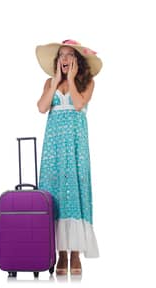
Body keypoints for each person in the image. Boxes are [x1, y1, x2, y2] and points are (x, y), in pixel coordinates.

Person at [33, 39, 100, 276]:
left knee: (75, 190)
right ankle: (60, 252)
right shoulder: (49, 83)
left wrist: (70, 80)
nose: (64, 59)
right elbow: (42, 108)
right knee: (55, 191)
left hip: (75, 144)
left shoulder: (86, 82)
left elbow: (79, 104)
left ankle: (75, 253)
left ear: (77, 60)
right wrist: (55, 82)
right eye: (61, 55)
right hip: (54, 146)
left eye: (70, 55)